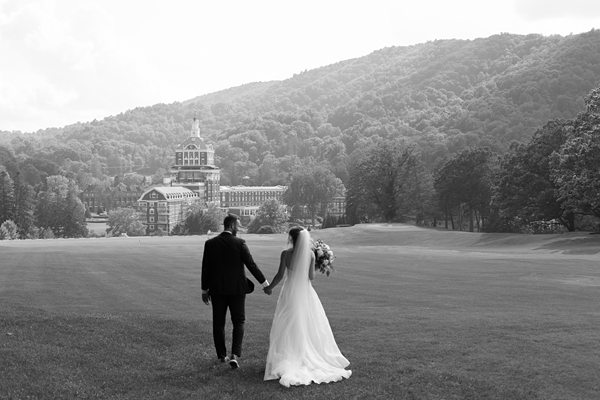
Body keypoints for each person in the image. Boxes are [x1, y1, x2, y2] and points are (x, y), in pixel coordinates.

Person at [263, 227, 351, 387]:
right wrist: (316, 265)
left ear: (292, 239)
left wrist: (269, 288)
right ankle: (305, 355)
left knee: (287, 323)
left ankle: (287, 356)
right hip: (305, 292)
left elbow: (280, 275)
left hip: (290, 292)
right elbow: (311, 277)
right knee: (308, 323)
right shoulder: (310, 254)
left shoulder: (285, 254)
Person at [201, 214, 270, 369]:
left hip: (217, 290)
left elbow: (206, 268)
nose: (238, 228)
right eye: (237, 225)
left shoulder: (210, 244)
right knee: (239, 321)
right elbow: (251, 265)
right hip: (237, 290)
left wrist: (204, 290)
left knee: (218, 323)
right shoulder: (240, 243)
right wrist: (265, 283)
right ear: (232, 226)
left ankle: (222, 356)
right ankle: (235, 355)